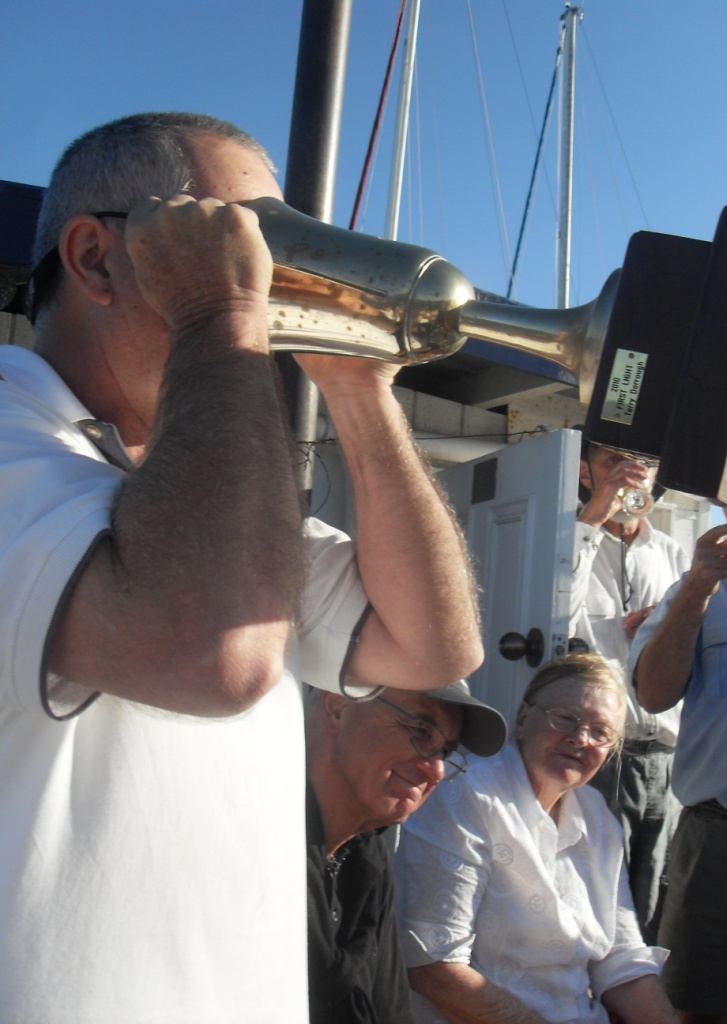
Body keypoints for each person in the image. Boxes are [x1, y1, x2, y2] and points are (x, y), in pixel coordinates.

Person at [0, 112, 484, 1024]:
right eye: (243, 241)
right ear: (98, 258)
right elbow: (212, 653)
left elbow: (430, 645)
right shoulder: (14, 447)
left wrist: (357, 385)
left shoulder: (190, 496)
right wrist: (219, 316)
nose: (268, 283)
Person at [394, 653, 678, 1024]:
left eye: (601, 732)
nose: (580, 738)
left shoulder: (597, 817)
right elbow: (434, 968)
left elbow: (620, 959)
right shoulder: (465, 795)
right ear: (524, 719)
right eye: (565, 718)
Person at [630, 472, 727, 1024]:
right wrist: (693, 592)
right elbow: (654, 693)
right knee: (696, 1009)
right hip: (717, 840)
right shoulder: (699, 589)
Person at [305, 679, 507, 1024]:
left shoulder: (366, 855)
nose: (437, 769)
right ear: (338, 705)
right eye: (420, 729)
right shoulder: (264, 838)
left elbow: (391, 1010)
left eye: (446, 751)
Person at [570, 439, 690, 942]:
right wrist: (595, 518)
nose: (630, 473)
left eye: (641, 465)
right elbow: (552, 610)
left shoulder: (671, 551)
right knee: (592, 885)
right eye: (613, 462)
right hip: (599, 747)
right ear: (585, 473)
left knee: (650, 890)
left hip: (663, 752)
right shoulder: (565, 539)